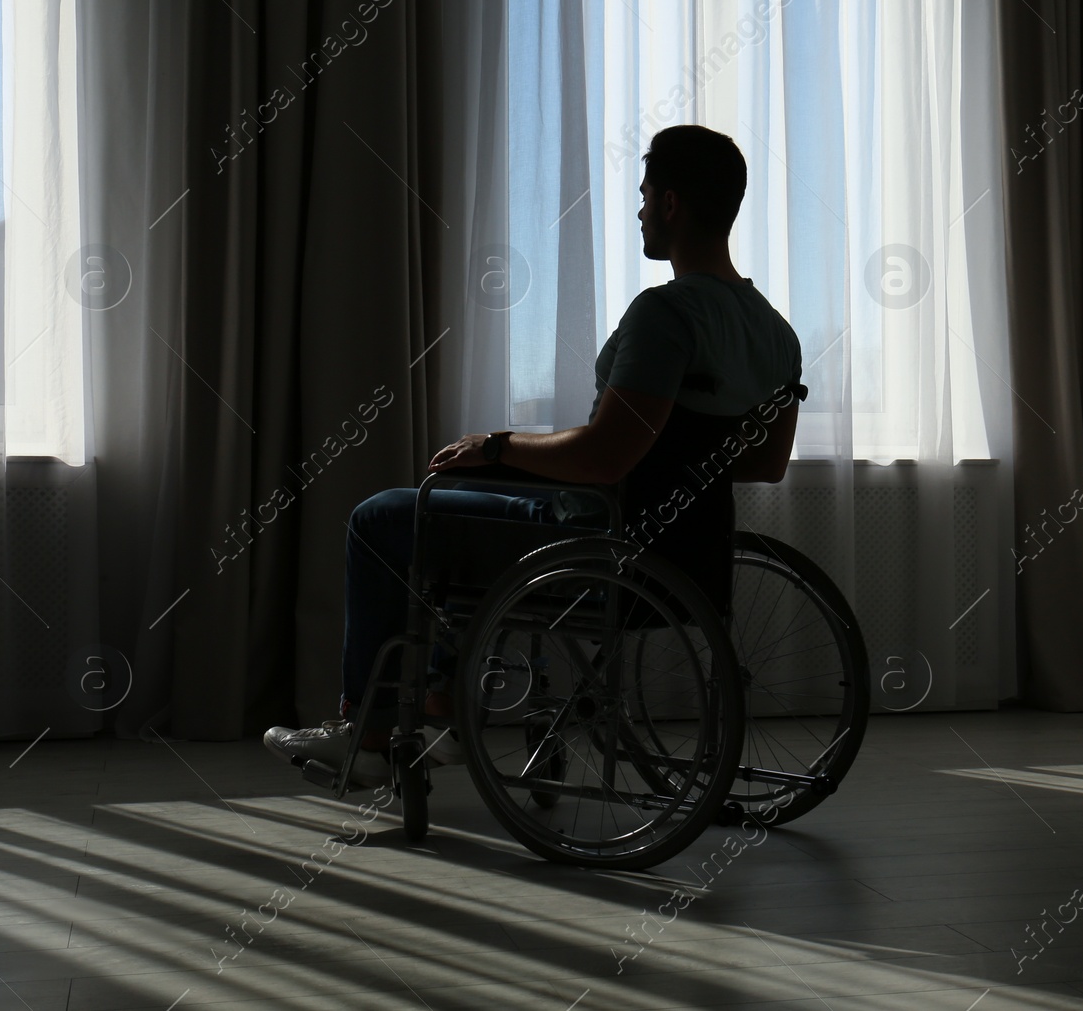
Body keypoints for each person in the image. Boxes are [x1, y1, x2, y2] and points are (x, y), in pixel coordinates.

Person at [264, 124, 803, 787]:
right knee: (476, 502)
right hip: (686, 559)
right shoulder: (776, 335)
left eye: (643, 195)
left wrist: (496, 445)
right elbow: (765, 463)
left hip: (603, 545)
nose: (637, 210)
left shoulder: (666, 317)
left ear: (669, 203)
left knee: (382, 519)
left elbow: (605, 456)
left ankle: (369, 734)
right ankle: (442, 705)